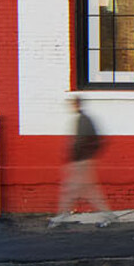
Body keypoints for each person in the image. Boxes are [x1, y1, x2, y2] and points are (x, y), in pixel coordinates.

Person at [50, 96, 112, 226]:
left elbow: (80, 141)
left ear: (77, 104)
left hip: (80, 160)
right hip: (85, 159)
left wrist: (72, 158)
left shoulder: (82, 120)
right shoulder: (85, 119)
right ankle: (107, 214)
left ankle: (62, 215)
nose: (71, 106)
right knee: (87, 190)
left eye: (72, 104)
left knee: (71, 188)